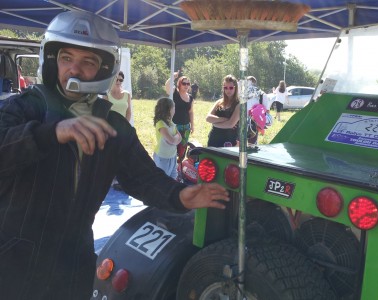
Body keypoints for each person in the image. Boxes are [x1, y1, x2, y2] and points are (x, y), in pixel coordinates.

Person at [0, 11, 229, 300]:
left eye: (88, 61)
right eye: (66, 58)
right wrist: (51, 133)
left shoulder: (113, 126)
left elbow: (142, 178)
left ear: (105, 68)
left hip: (73, 261)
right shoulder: (24, 108)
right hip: (13, 260)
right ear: (52, 60)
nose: (74, 69)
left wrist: (180, 196)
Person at [165, 71, 194, 165]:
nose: (186, 85)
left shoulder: (190, 97)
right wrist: (173, 76)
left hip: (186, 127)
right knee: (173, 147)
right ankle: (171, 166)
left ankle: (179, 167)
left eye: (188, 84)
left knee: (183, 149)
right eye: (184, 83)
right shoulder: (175, 94)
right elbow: (168, 86)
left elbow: (191, 112)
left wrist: (192, 125)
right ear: (179, 84)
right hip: (175, 125)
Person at [206, 75, 240, 147]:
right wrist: (224, 119)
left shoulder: (239, 105)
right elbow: (208, 118)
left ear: (235, 88)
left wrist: (215, 123)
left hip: (229, 141)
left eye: (231, 88)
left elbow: (230, 124)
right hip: (213, 138)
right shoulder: (219, 102)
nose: (228, 90)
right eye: (226, 88)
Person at [153, 97, 182, 179]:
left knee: (173, 177)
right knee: (162, 180)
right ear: (169, 109)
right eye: (174, 108)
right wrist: (175, 139)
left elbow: (179, 137)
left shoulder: (170, 122)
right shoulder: (160, 123)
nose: (175, 110)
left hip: (172, 155)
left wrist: (174, 139)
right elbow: (172, 140)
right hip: (163, 157)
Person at [245, 76, 266, 145]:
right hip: (253, 120)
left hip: (246, 120)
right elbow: (265, 110)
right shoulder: (261, 93)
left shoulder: (241, 91)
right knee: (252, 144)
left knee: (240, 144)